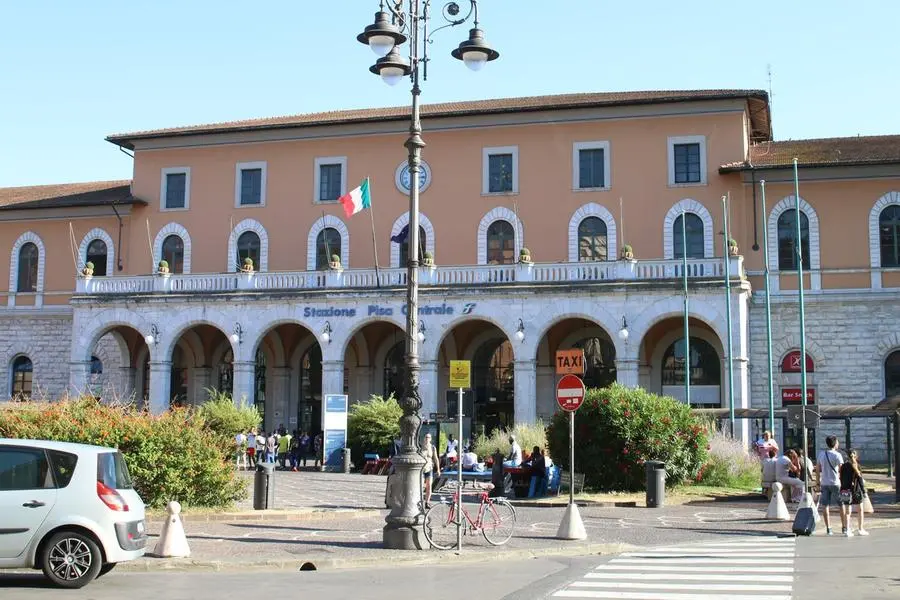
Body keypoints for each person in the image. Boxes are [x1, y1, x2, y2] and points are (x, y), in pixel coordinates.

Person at [816, 435, 849, 536]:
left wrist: (818, 482)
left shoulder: (821, 454)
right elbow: (842, 469)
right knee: (842, 504)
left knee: (825, 506)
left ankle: (828, 528)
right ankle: (844, 527)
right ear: (835, 443)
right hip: (836, 483)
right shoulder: (837, 455)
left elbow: (817, 469)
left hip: (824, 482)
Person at [839, 449, 869, 536]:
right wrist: (864, 491)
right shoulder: (857, 466)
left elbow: (841, 478)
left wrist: (842, 488)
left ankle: (847, 530)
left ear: (847, 457)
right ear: (856, 457)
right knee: (860, 510)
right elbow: (860, 480)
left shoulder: (844, 466)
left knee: (848, 512)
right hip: (856, 490)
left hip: (845, 490)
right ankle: (860, 529)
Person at [421, 433, 441, 508]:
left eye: (428, 437)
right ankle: (419, 501)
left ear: (431, 439)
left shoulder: (432, 447)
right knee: (421, 486)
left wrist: (438, 469)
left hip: (429, 468)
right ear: (424, 438)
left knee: (429, 486)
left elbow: (436, 459)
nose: (427, 439)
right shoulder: (420, 447)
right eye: (426, 437)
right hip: (422, 469)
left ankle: (427, 502)